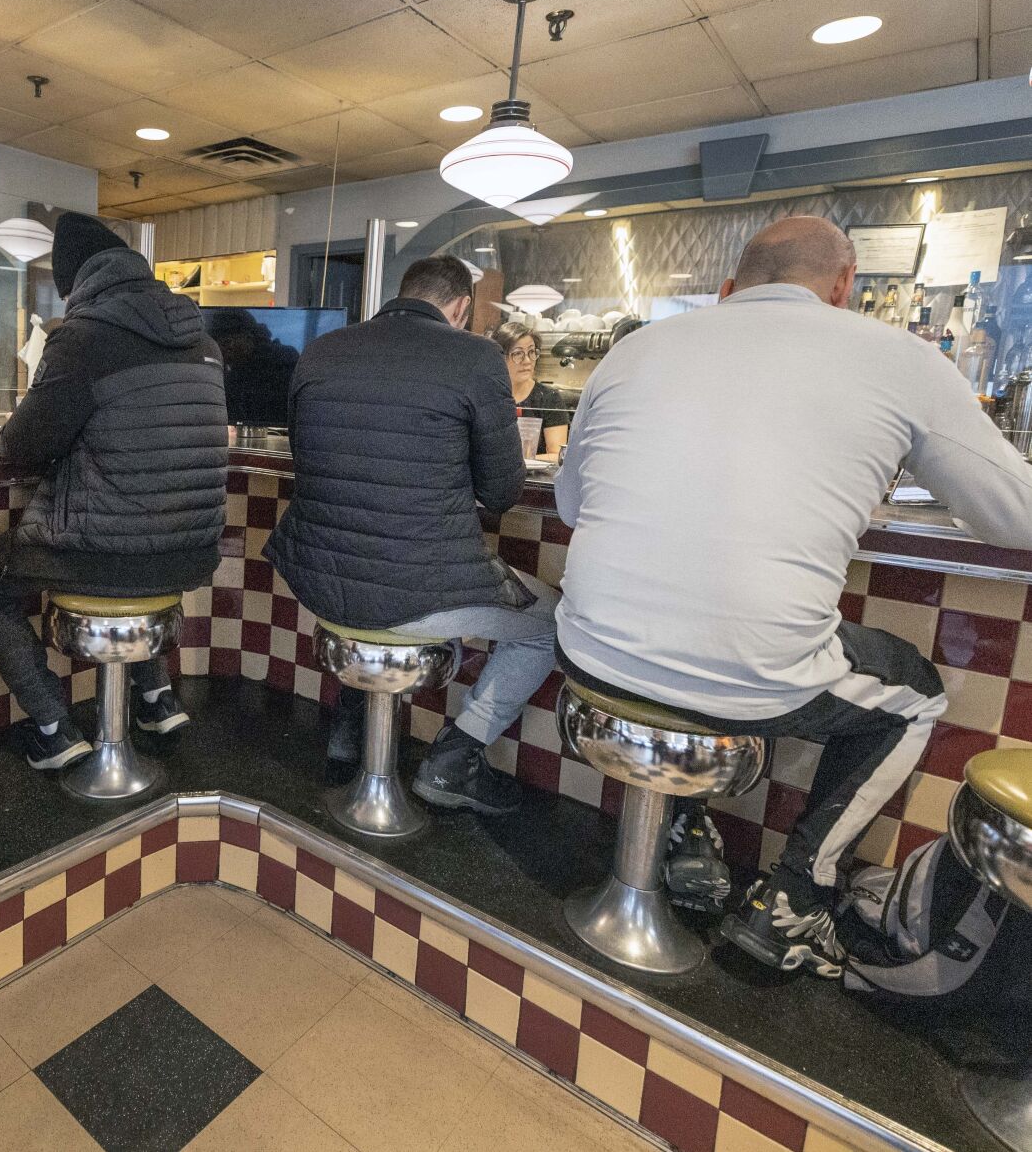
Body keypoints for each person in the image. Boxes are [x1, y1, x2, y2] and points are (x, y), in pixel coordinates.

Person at [554, 216, 1032, 977]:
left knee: (713, 636)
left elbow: (573, 509)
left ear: (730, 285)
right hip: (747, 675)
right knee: (910, 692)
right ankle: (794, 895)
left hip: (589, 654)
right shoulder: (899, 357)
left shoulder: (635, 347)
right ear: (844, 285)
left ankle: (684, 829)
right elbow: (1013, 520)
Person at [266, 256, 558, 815]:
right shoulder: (476, 356)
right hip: (413, 591)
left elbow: (310, 461)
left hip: (319, 579)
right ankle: (457, 757)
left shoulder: (323, 349)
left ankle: (353, 724)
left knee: (397, 583)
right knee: (549, 625)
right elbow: (501, 493)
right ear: (461, 308)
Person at [0, 212, 227, 770]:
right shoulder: (203, 339)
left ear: (77, 284)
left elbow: (21, 446)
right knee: (133, 539)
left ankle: (55, 727)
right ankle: (156, 697)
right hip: (191, 554)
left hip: (104, 551)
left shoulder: (82, 340)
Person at [491, 321, 569, 460]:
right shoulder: (487, 395)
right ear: (499, 358)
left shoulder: (549, 398)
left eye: (531, 352)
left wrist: (518, 460)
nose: (527, 360)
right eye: (518, 353)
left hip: (535, 479)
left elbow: (558, 455)